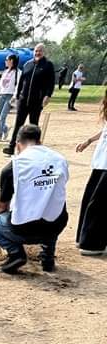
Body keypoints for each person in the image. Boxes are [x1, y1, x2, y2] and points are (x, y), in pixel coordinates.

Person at [0, 123, 69, 274]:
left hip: (25, 229)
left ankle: (16, 254)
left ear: (18, 145)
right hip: (56, 224)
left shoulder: (13, 167)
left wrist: (1, 225)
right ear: (40, 141)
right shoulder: (60, 159)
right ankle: (48, 258)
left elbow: (3, 205)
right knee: (51, 208)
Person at [3, 43, 54, 155]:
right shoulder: (27, 64)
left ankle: (34, 149)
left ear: (43, 52)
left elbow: (51, 83)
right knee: (18, 124)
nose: (37, 53)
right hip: (23, 99)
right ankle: (12, 147)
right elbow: (21, 82)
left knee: (33, 125)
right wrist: (17, 96)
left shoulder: (48, 65)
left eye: (40, 51)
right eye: (36, 51)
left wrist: (47, 95)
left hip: (37, 100)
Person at [75, 88, 107, 256]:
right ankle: (85, 238)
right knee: (91, 197)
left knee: (99, 202)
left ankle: (94, 243)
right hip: (101, 160)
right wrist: (89, 140)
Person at [0, 54, 20, 141]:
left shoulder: (18, 72)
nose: (5, 62)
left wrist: (14, 96)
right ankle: (5, 129)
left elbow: (18, 85)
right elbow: (0, 85)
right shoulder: (5, 72)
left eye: (7, 60)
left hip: (10, 96)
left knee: (2, 116)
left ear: (12, 61)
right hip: (2, 95)